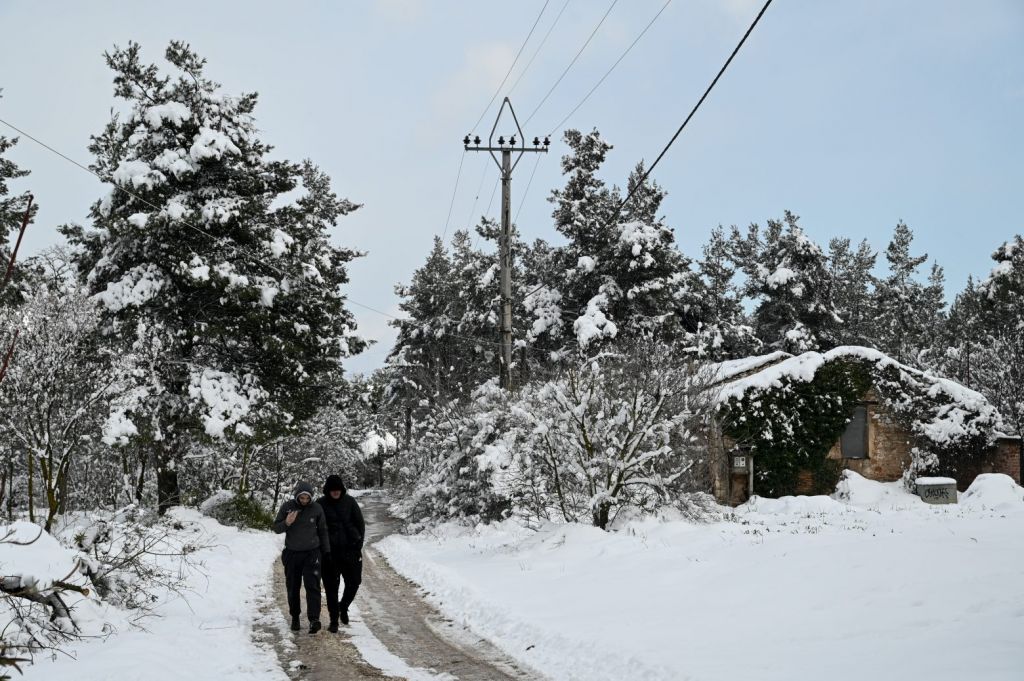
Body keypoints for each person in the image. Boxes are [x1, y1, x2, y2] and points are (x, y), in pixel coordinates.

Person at [273, 480, 330, 634]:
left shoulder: (317, 508)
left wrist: (326, 552)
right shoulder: (287, 507)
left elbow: (323, 531)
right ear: (297, 496)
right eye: (302, 498)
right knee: (293, 587)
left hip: (312, 553)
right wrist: (287, 522)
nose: (304, 500)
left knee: (313, 586)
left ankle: (314, 619)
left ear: (311, 497)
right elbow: (276, 528)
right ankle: (295, 617)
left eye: (307, 498)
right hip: (292, 553)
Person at [317, 474, 365, 632]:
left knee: (355, 582)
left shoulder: (350, 502)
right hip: (330, 553)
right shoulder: (320, 504)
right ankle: (333, 620)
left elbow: (360, 524)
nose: (336, 492)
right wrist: (322, 551)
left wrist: (358, 545)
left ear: (341, 489)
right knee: (331, 588)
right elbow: (315, 528)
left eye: (338, 489)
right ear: (327, 490)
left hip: (350, 550)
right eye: (332, 490)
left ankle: (343, 606)